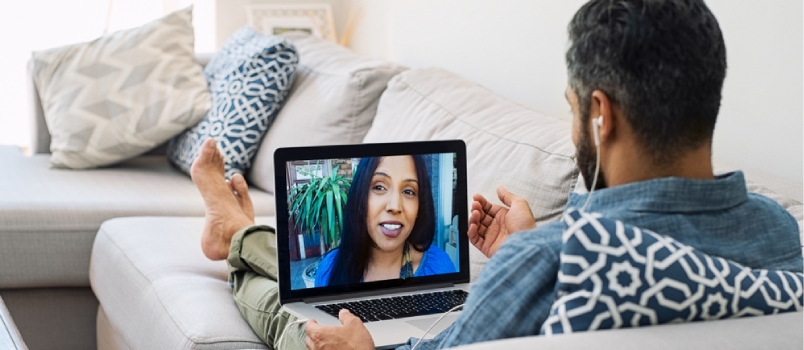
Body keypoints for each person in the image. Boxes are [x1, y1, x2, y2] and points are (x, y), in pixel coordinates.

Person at [191, 0, 803, 349]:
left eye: (570, 107)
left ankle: (239, 232)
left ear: (599, 115)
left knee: (302, 328)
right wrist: (521, 248)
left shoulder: (556, 259)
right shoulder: (779, 235)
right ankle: (240, 230)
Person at [313, 155, 456, 288]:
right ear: (360, 197)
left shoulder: (440, 267)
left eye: (408, 191)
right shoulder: (329, 269)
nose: (394, 206)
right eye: (379, 187)